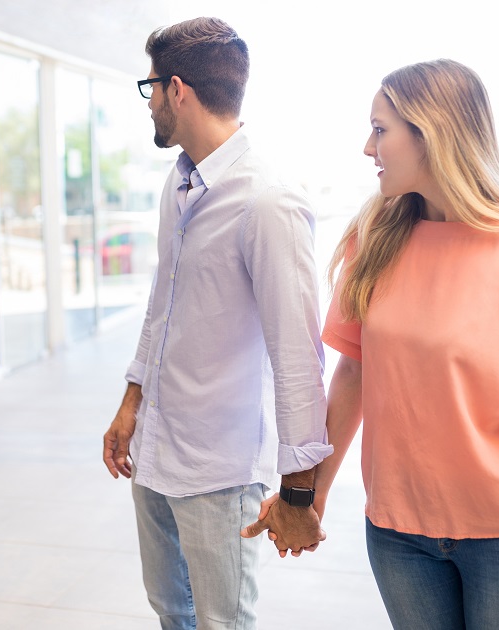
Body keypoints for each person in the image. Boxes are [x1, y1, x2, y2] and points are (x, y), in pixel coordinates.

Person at [309, 59, 499, 630]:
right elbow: (352, 375)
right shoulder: (374, 237)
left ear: (431, 133)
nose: (368, 148)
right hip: (396, 533)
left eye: (381, 130)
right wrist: (309, 497)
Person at [101, 17, 331, 630]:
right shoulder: (177, 184)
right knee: (171, 610)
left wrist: (300, 493)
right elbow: (163, 303)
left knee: (222, 622)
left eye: (150, 87)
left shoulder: (268, 201)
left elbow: (298, 359)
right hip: (155, 448)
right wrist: (132, 399)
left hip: (217, 469)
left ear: (177, 90)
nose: (149, 102)